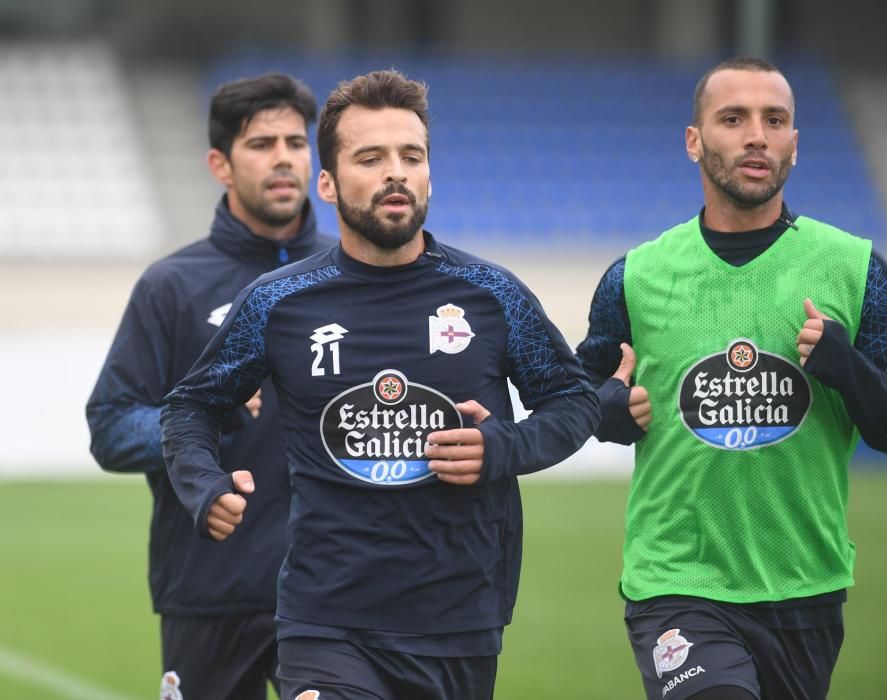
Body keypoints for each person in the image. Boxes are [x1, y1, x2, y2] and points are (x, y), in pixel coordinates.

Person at [160, 68, 599, 700]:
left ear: (428, 175)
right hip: (325, 620)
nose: (396, 172)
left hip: (459, 622)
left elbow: (573, 400)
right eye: (371, 158)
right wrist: (204, 484)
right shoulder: (278, 302)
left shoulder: (491, 294)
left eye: (411, 156)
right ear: (330, 185)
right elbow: (192, 406)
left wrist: (502, 448)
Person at [577, 56, 887, 700]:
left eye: (774, 120)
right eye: (733, 118)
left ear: (794, 142)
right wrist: (604, 413)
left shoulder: (854, 268)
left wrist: (845, 366)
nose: (756, 136)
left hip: (805, 584)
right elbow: (579, 400)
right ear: (695, 141)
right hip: (676, 580)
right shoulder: (635, 277)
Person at [87, 72, 331, 700]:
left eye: (296, 142)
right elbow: (111, 427)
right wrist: (205, 416)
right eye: (261, 144)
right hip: (208, 590)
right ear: (220, 164)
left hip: (334, 591)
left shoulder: (353, 276)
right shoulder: (170, 286)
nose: (283, 158)